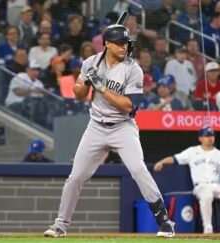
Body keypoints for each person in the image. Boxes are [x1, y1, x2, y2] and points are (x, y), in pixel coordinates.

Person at [43, 24, 175, 238]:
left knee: (138, 169)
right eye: (120, 43)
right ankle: (60, 225)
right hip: (95, 126)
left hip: (123, 127)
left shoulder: (133, 69)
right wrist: (87, 81)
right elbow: (77, 94)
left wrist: (101, 87)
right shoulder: (90, 63)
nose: (125, 47)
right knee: (75, 177)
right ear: (108, 44)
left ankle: (164, 221)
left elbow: (128, 106)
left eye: (126, 43)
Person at [153, 126, 220, 234]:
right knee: (207, 194)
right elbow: (175, 159)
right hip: (201, 186)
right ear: (200, 138)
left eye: (211, 135)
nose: (209, 138)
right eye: (206, 136)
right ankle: (208, 227)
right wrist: (161, 162)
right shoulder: (192, 151)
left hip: (217, 186)